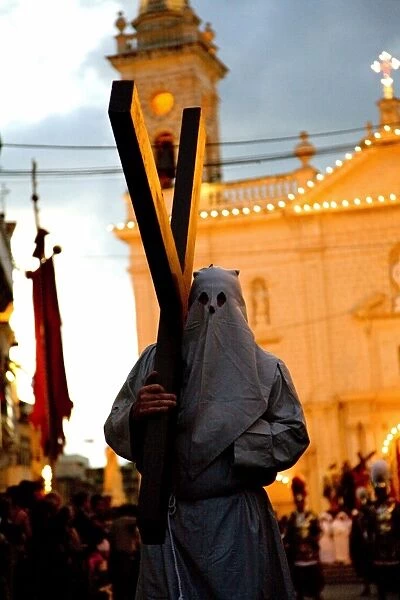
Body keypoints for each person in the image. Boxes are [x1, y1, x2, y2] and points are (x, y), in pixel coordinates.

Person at [104, 266, 310, 600]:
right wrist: (138, 413)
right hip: (174, 523)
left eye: (222, 300)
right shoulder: (157, 362)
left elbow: (294, 434)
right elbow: (115, 426)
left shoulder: (268, 369)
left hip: (238, 525)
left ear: (239, 306)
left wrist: (234, 443)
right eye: (201, 300)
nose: (211, 309)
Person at [284, 476, 324, 600]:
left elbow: (319, 532)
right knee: (299, 589)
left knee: (315, 588)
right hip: (298, 557)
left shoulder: (312, 516)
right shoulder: (292, 518)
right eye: (298, 501)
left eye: (302, 501)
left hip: (311, 555)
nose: (300, 503)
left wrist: (313, 540)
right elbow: (288, 535)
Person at [369, 460, 400, 600]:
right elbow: (370, 530)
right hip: (379, 550)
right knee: (381, 586)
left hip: (394, 548)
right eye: (378, 490)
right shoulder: (372, 509)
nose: (379, 492)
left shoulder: (395, 505)